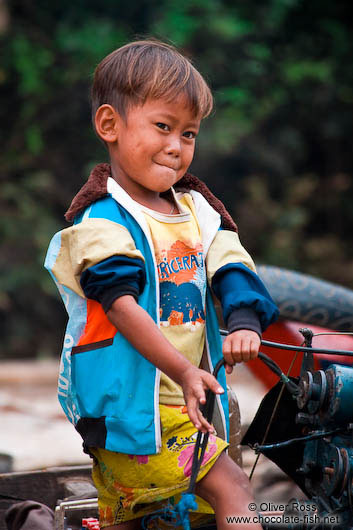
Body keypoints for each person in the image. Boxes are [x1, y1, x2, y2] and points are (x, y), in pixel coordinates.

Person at [45, 39, 278, 529]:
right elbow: (120, 306)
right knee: (234, 485)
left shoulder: (198, 212)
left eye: (189, 133)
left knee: (152, 518)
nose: (177, 146)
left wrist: (242, 322)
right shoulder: (102, 220)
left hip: (184, 404)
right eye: (163, 127)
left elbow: (232, 264)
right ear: (109, 125)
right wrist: (184, 370)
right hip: (132, 414)